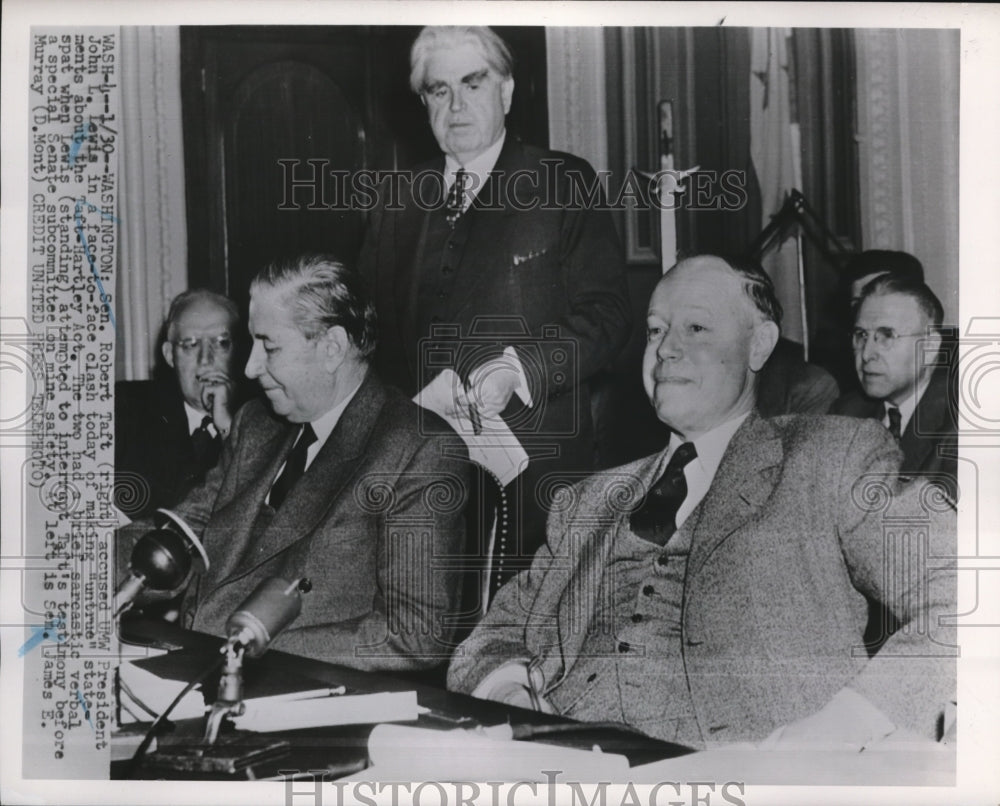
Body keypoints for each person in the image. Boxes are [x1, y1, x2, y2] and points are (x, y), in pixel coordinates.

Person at [448, 255, 955, 749]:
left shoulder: (830, 458)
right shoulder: (587, 501)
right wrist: (512, 693)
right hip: (566, 766)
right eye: (655, 330)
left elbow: (967, 595)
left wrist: (845, 728)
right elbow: (490, 638)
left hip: (742, 774)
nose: (666, 348)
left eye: (696, 328)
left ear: (759, 345)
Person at [359, 26, 631, 603]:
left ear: (505, 91)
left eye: (472, 84)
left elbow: (608, 315)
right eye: (439, 90)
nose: (455, 106)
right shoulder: (395, 203)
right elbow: (370, 337)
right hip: (420, 476)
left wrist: (522, 369)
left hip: (533, 481)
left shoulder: (561, 182)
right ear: (424, 102)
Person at [117, 256, 471, 671]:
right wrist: (71, 567)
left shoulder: (417, 449)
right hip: (200, 667)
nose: (250, 367)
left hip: (298, 689)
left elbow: (415, 634)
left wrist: (245, 648)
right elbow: (185, 531)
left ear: (332, 348)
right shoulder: (257, 424)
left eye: (269, 347)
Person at [115, 289, 241, 520]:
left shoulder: (268, 420)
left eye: (221, 343)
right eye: (190, 344)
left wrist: (228, 430)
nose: (205, 359)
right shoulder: (124, 408)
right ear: (169, 355)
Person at [831, 274, 957, 501]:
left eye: (887, 336)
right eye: (861, 335)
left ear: (929, 347)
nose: (867, 354)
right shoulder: (845, 413)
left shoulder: (962, 422)